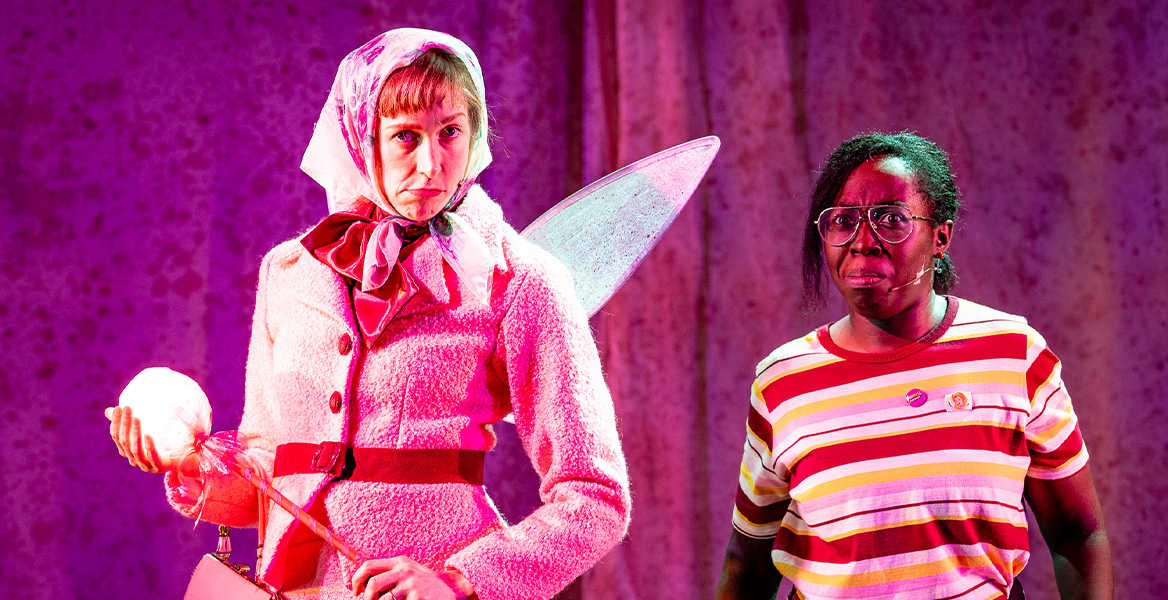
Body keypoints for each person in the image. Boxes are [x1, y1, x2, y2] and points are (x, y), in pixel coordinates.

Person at [107, 28, 630, 600]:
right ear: (362, 138)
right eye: (405, 137)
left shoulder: (520, 280)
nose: (431, 164)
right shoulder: (290, 271)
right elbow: (271, 470)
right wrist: (187, 459)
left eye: (450, 132)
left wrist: (460, 581)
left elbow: (595, 496)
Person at [715, 132, 1112, 600]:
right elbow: (748, 561)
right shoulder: (783, 381)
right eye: (843, 221)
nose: (863, 241)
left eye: (891, 219)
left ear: (940, 237)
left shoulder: (1014, 355)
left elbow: (1077, 534)